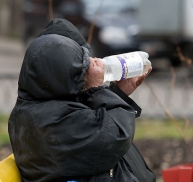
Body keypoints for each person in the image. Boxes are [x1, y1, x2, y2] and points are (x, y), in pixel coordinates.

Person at [8, 18, 155, 182]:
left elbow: (97, 121)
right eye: (80, 70)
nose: (87, 73)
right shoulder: (46, 120)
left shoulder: (49, 103)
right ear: (59, 75)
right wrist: (96, 89)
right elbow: (117, 136)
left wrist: (117, 93)